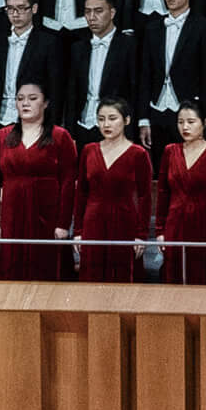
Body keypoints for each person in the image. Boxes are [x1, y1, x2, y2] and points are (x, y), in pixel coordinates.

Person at [0, 77, 77, 281]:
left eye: (32, 98)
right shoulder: (2, 136)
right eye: (20, 99)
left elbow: (68, 183)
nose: (25, 103)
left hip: (48, 216)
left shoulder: (60, 136)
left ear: (45, 103)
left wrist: (63, 224)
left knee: (48, 270)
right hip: (12, 215)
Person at [137, 0, 206, 160]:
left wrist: (203, 115)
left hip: (189, 112)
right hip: (157, 110)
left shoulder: (203, 27)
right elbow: (145, 75)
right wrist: (143, 119)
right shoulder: (152, 28)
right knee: (159, 169)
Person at [75, 96, 152, 282]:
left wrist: (141, 235)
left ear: (126, 120)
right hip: (93, 222)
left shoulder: (139, 154)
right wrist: (78, 231)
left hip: (124, 222)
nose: (106, 124)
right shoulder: (88, 150)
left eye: (112, 118)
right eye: (101, 119)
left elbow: (145, 196)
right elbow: (81, 193)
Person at [158, 101, 206, 285]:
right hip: (175, 225)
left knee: (204, 279)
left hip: (205, 225)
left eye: (191, 122)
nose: (185, 127)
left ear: (204, 122)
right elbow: (163, 193)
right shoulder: (170, 151)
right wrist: (160, 230)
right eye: (180, 122)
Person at [0, 0, 61, 140]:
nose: (15, 14)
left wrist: (51, 129)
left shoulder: (49, 43)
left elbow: (56, 89)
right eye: (10, 9)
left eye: (21, 8)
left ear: (34, 8)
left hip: (35, 124)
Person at [67, 0, 136, 139]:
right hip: (82, 126)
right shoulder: (77, 48)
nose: (92, 17)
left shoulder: (129, 45)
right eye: (87, 12)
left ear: (112, 13)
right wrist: (70, 132)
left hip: (117, 129)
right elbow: (72, 93)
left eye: (98, 11)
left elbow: (135, 90)